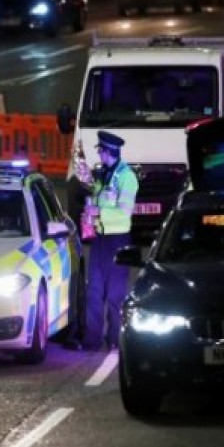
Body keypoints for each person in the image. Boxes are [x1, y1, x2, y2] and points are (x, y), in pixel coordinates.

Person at [65, 130, 139, 352]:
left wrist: (97, 213)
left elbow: (125, 212)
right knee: (94, 291)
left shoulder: (127, 177)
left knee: (115, 294)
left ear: (109, 152)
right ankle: (92, 339)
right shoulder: (104, 174)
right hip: (100, 240)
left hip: (118, 241)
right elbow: (96, 198)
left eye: (101, 151)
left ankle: (115, 338)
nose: (99, 156)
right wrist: (89, 211)